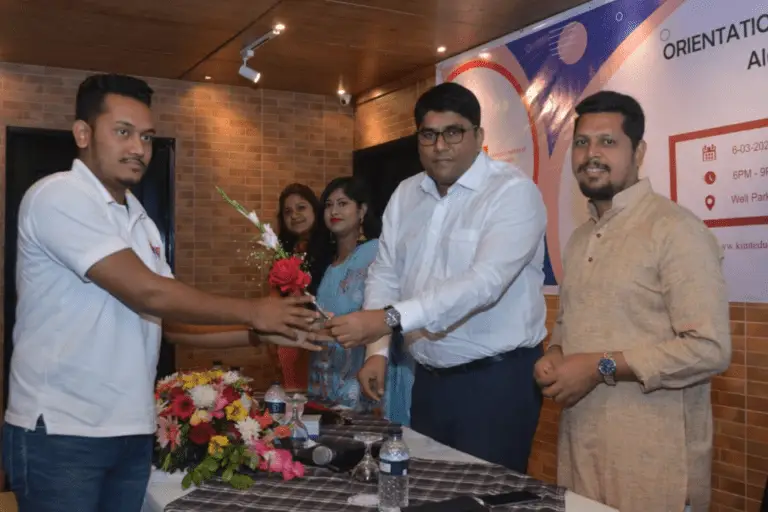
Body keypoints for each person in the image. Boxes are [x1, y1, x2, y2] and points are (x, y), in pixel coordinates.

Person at [1, 73, 321, 512]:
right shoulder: (58, 195)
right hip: (62, 431)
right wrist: (255, 310)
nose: (139, 148)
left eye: (147, 137)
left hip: (129, 428)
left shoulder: (140, 219)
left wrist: (259, 333)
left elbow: (170, 324)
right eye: (123, 132)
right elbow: (149, 293)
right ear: (82, 134)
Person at [326, 82, 548, 472]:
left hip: (496, 380)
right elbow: (385, 273)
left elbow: (485, 283)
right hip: (427, 380)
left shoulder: (512, 193)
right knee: (427, 492)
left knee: (485, 495)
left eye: (453, 132)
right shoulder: (406, 194)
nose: (440, 146)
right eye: (429, 135)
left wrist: (389, 319)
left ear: (478, 136)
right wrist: (377, 352)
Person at [533, 90, 730, 512]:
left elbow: (710, 349)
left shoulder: (676, 230)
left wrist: (599, 366)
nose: (592, 154)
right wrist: (555, 350)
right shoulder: (581, 237)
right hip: (581, 457)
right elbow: (569, 321)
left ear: (638, 150)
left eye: (608, 142)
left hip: (655, 470)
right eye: (582, 142)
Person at [304, 177, 383, 410]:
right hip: (323, 375)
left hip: (360, 375)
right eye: (328, 205)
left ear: (362, 210)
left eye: (342, 203)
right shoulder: (326, 264)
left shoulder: (376, 253)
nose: (333, 211)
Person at [273, 183, 322, 391]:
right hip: (290, 341)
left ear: (315, 210)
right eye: (288, 212)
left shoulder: (329, 250)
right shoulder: (283, 254)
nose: (294, 215)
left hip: (320, 339)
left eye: (301, 207)